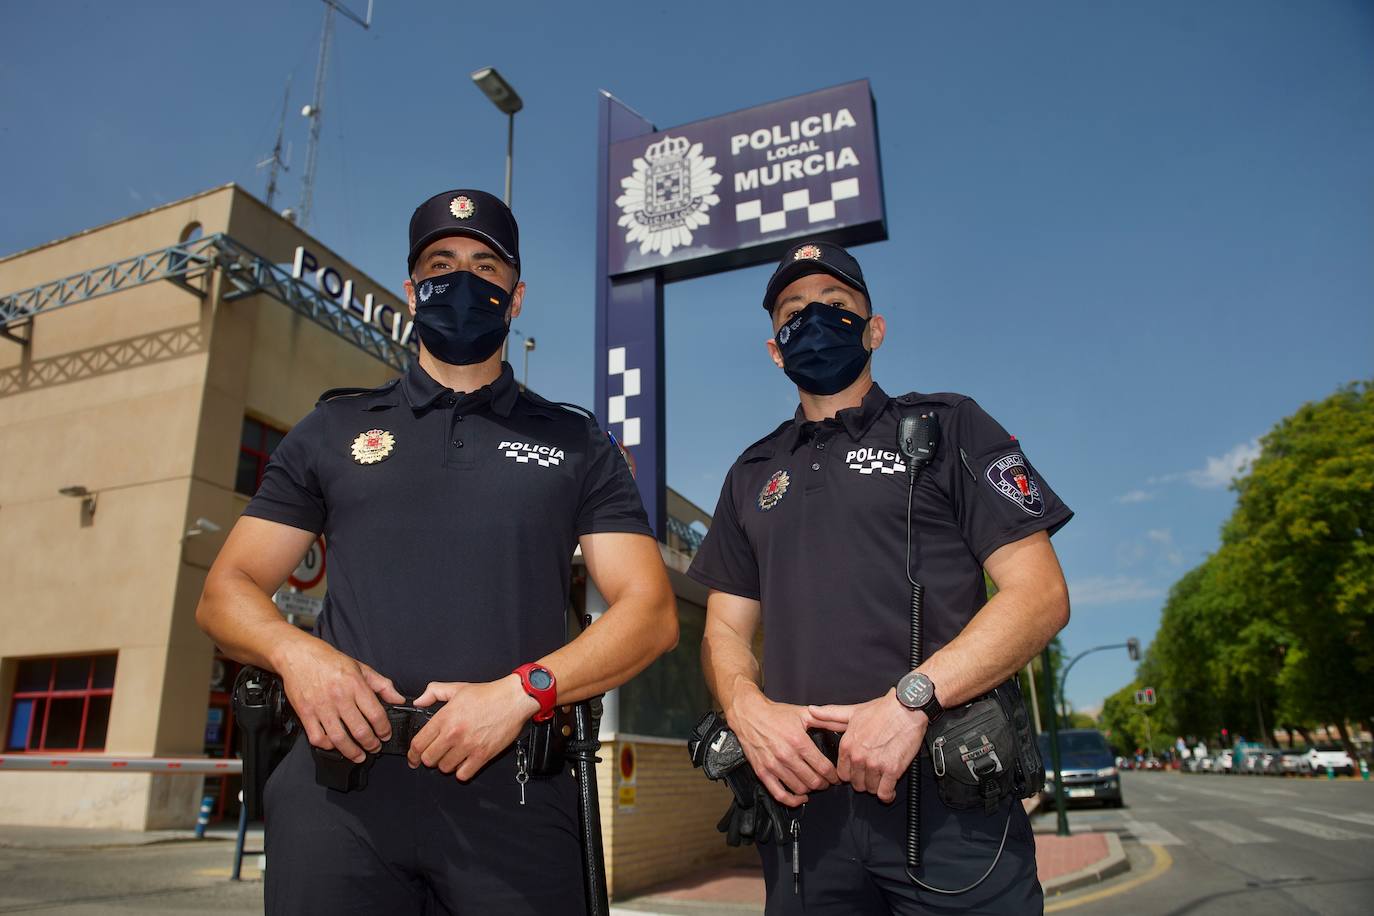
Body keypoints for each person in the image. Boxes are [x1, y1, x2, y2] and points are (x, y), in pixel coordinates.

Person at [196, 188, 678, 914]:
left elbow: (650, 614)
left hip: (516, 796)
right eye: (441, 263)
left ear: (516, 299)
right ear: (411, 288)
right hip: (340, 797)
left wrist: (525, 692)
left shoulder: (578, 445)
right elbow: (226, 589)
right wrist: (300, 656)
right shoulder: (333, 430)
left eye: (486, 267)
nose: (463, 280)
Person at [689, 240, 1073, 914]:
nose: (814, 318)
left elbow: (1039, 594)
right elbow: (724, 627)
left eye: (836, 305)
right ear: (776, 349)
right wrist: (746, 710)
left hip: (950, 802)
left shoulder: (950, 426)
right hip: (804, 813)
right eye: (794, 311)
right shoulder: (750, 474)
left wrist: (912, 701)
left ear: (875, 329)